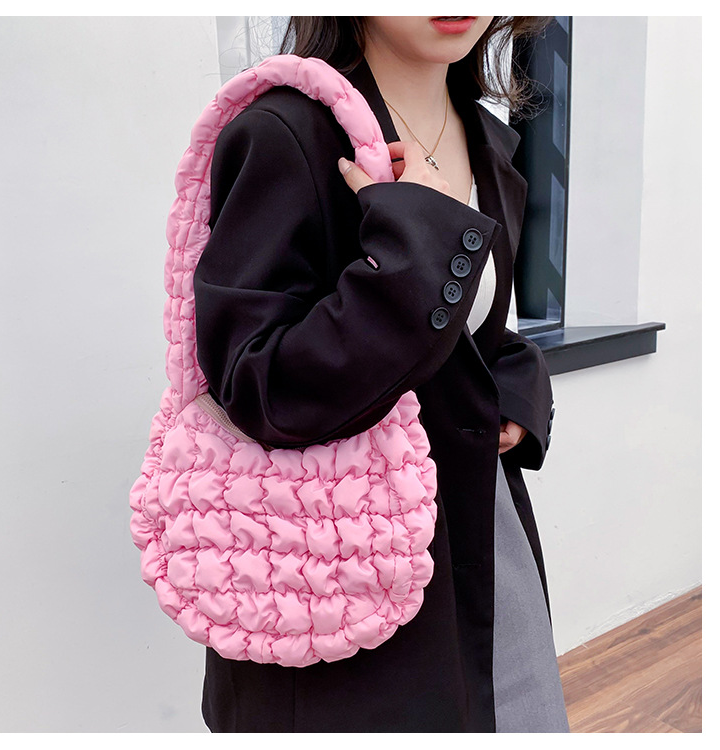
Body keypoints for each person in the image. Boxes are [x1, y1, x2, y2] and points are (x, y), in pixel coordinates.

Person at [194, 15, 569, 733]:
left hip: (479, 535)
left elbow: (478, 337)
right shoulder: (286, 133)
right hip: (334, 557)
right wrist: (412, 248)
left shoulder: (489, 140)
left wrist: (521, 396)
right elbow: (257, 386)